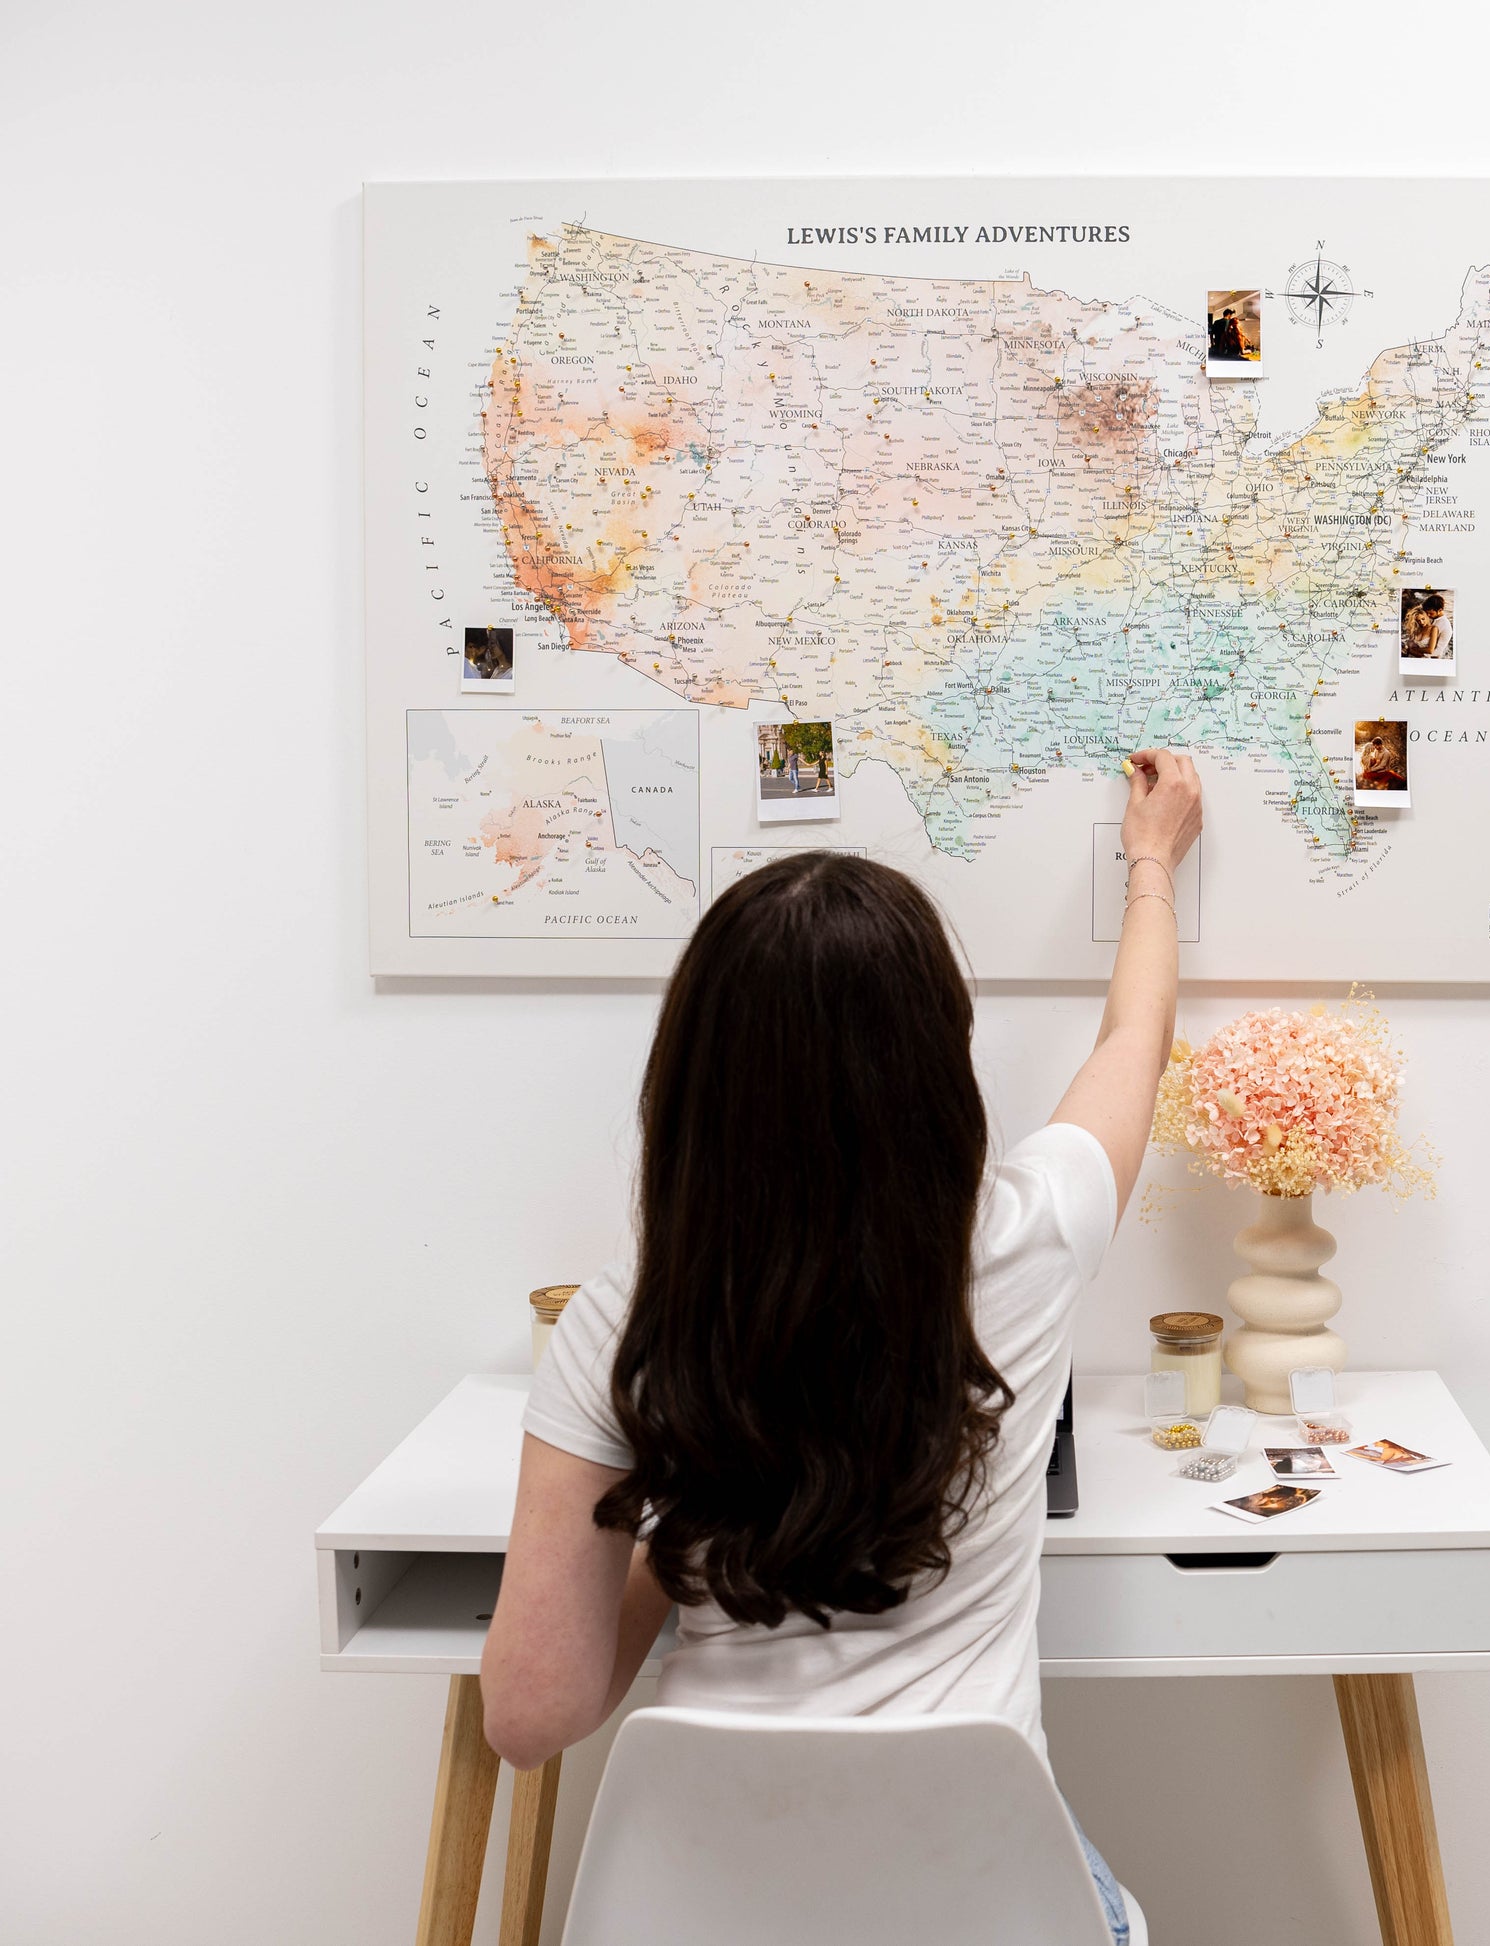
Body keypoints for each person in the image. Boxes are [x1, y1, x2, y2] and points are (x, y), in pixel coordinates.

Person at [481, 751, 1203, 1942]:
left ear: (694, 1083)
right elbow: (1136, 1040)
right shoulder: (1032, 1235)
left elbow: (530, 1715)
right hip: (979, 1911)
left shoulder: (621, 1320)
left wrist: (694, 1528)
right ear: (939, 1073)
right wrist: (1149, 864)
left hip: (702, 1914)